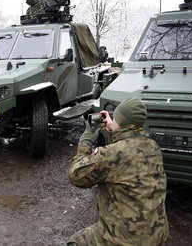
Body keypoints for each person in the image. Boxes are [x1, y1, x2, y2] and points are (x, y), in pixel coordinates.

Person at [67, 98, 168, 246]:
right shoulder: (153, 147)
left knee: (75, 241)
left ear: (121, 120)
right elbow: (127, 146)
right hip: (158, 234)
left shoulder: (109, 154)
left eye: (115, 118)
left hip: (126, 240)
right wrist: (113, 128)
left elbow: (76, 177)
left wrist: (85, 143)